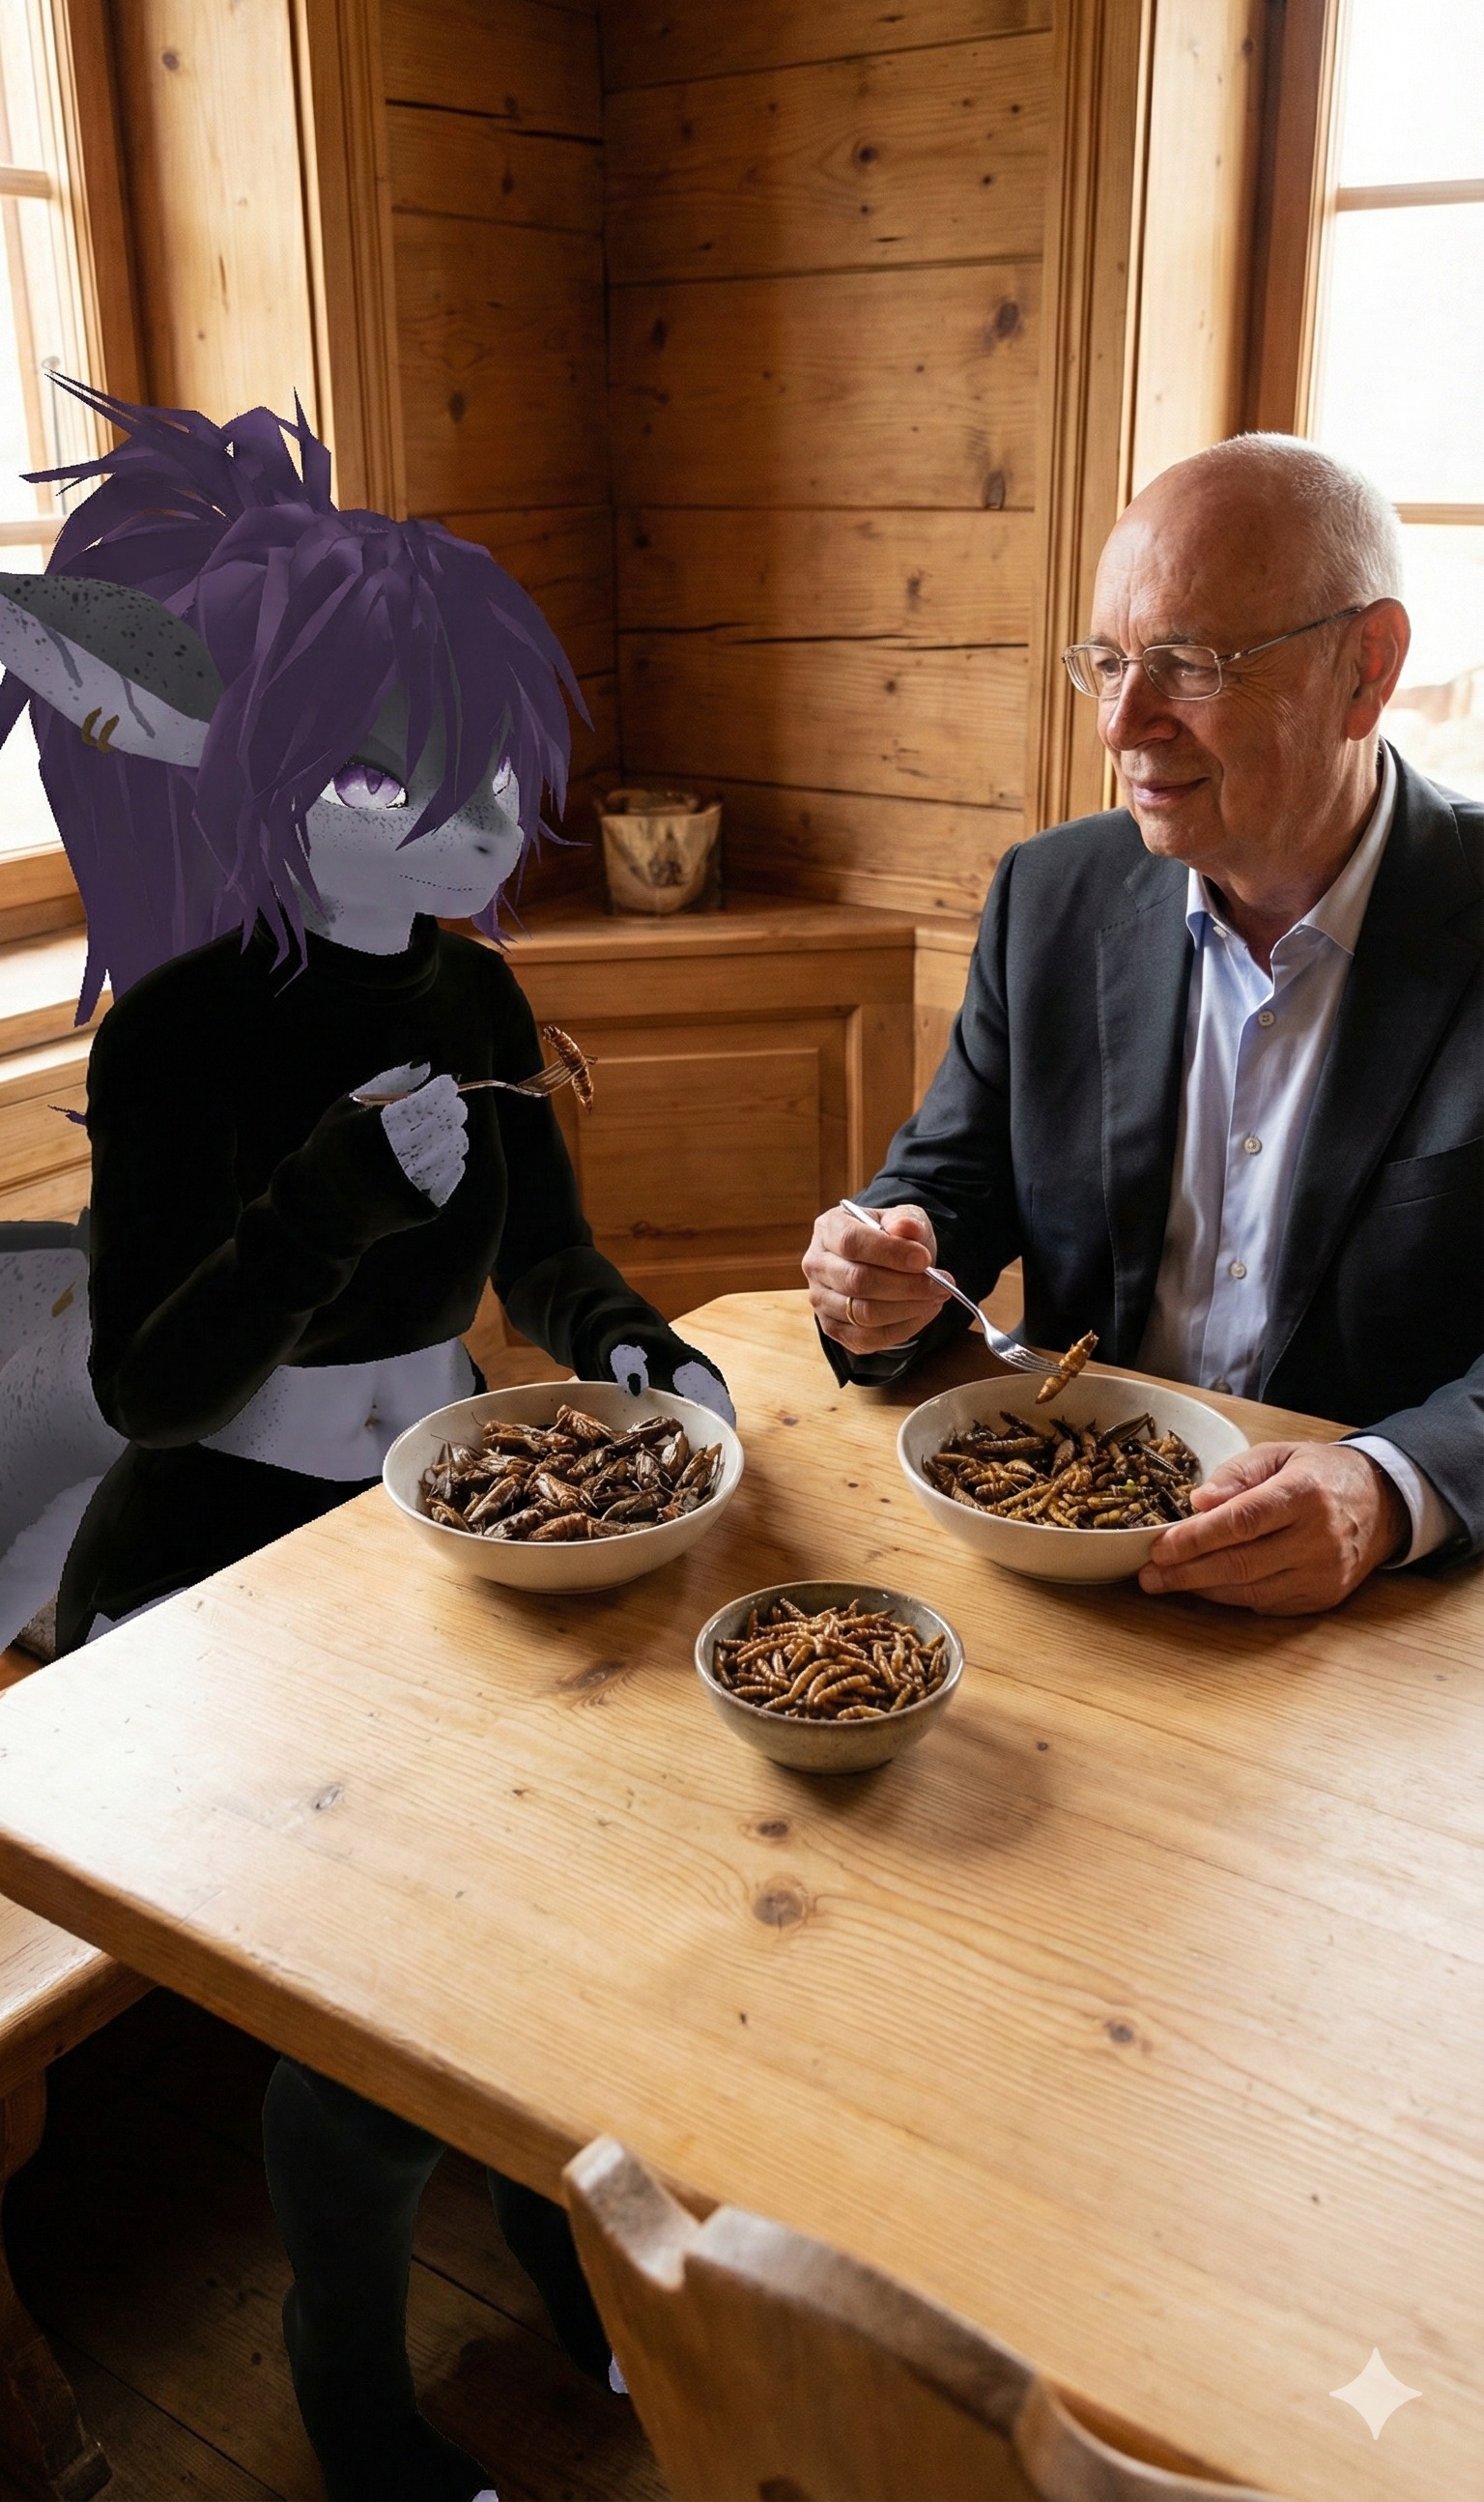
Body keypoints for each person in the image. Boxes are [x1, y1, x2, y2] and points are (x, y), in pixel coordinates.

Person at [0, 382, 737, 2502]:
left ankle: (561, 2254)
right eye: (406, 774)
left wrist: (645, 1352)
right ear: (271, 773)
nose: (482, 818)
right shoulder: (185, 1032)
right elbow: (147, 1390)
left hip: (455, 1537)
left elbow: (552, 1264)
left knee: (552, 1932)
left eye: (494, 767)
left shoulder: (477, 996)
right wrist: (317, 1201)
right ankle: (350, 2400)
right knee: (382, 2021)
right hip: (212, 1579)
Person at [804, 435, 1482, 1616]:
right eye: (1110, 662)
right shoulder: (1051, 893)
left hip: (1377, 1608)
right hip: (1056, 1545)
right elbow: (948, 1187)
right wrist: (885, 1267)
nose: (1122, 724)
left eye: (1188, 664)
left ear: (1366, 669)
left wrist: (1387, 1486)